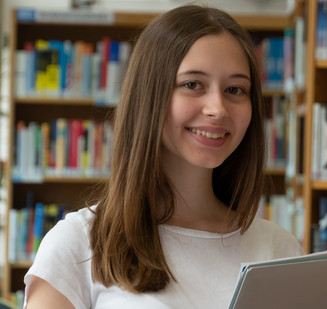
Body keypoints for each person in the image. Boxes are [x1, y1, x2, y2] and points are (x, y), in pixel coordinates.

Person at [24, 4, 303, 308]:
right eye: (192, 84)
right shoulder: (78, 244)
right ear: (149, 96)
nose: (217, 108)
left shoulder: (281, 250)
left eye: (235, 89)